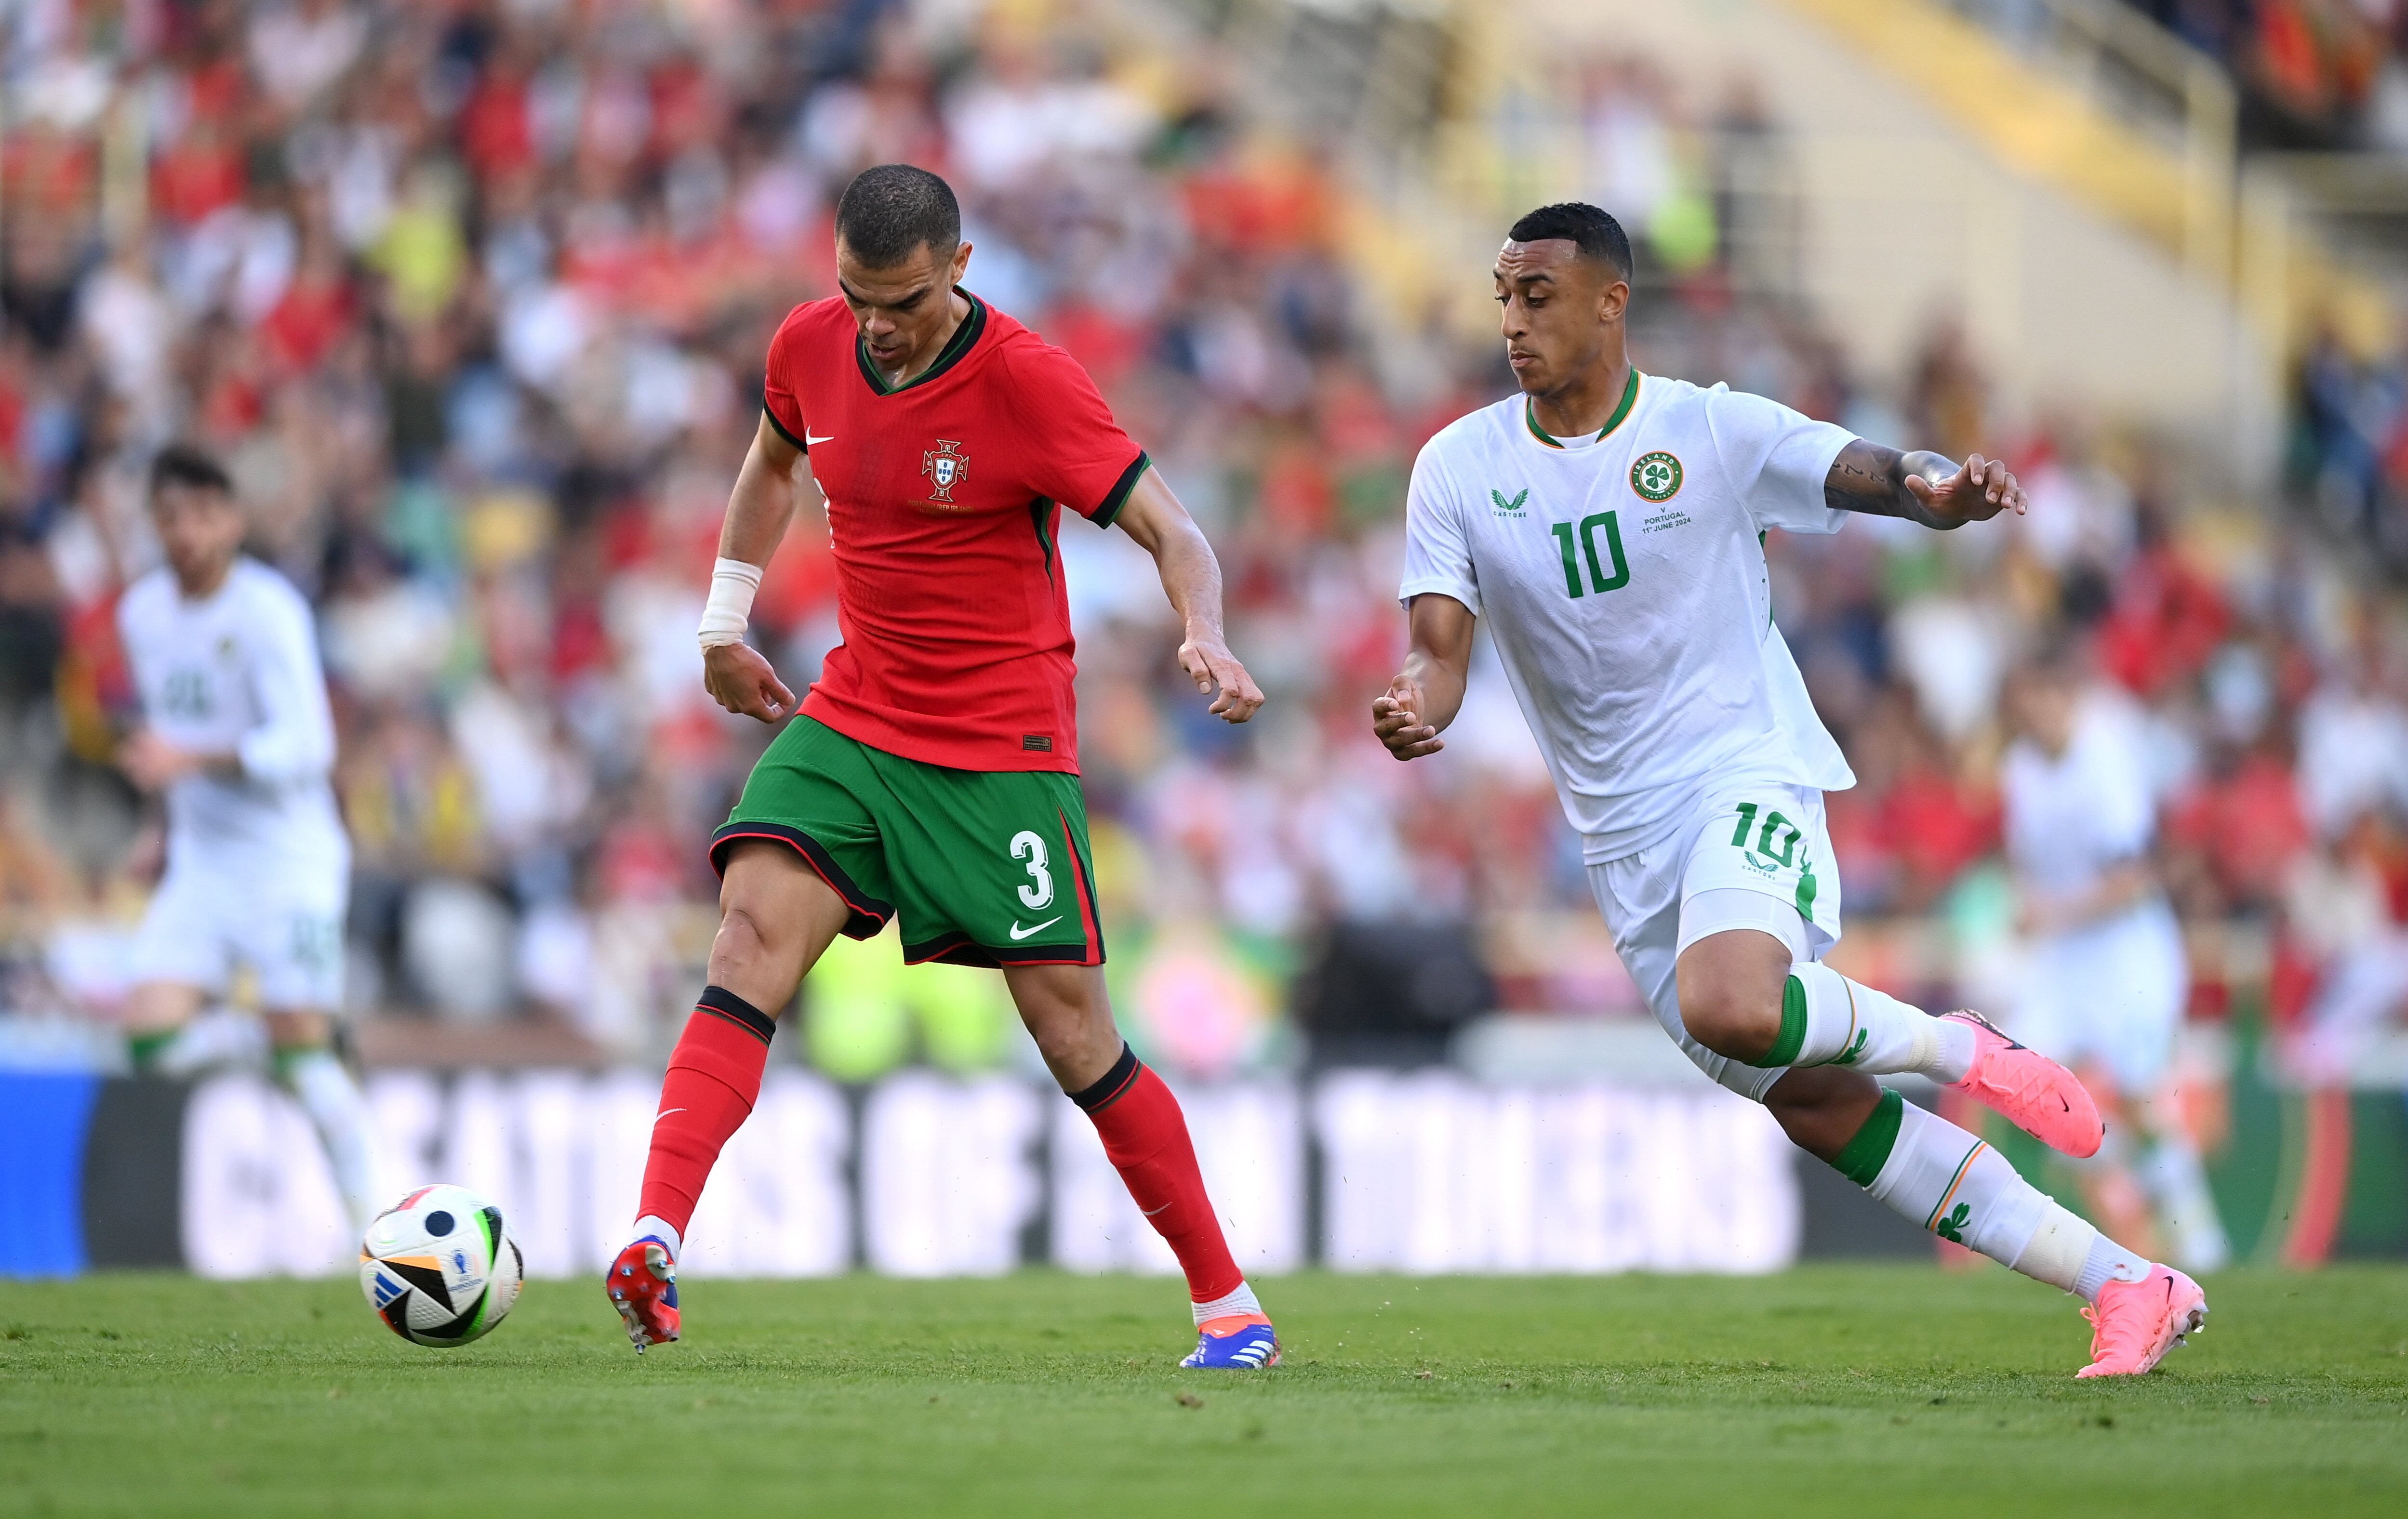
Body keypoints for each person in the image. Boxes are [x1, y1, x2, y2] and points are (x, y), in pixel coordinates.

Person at [1372, 202, 2207, 1378]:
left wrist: (1941, 490)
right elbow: (1440, 653)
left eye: (1538, 295)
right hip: (1622, 845)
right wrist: (1418, 703)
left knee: (1734, 999)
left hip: (1742, 770)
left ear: (1612, 302)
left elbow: (1865, 469)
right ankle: (2130, 1281)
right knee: (1815, 1104)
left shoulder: (1708, 430)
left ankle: (1957, 1046)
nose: (1511, 321)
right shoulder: (1458, 467)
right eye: (1503, 295)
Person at [605, 165, 1277, 1370]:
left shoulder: (1026, 380)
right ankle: (655, 1234)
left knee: (1074, 1037)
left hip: (998, 748)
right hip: (858, 712)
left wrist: (1205, 631)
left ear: (961, 268)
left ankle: (1230, 1308)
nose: (876, 325)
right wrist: (723, 621)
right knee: (747, 933)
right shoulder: (810, 346)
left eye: (903, 301)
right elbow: (772, 465)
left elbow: (1175, 530)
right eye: (858, 296)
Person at [116, 443, 381, 1233]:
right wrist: (158, 828)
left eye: (202, 514)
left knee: (301, 1041)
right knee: (148, 1037)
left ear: (231, 519)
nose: (187, 532)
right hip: (201, 861)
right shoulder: (143, 615)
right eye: (171, 517)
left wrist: (188, 759)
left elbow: (308, 748)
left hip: (287, 859)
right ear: (155, 525)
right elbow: (169, 735)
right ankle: (268, 1037)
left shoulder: (269, 612)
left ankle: (374, 1231)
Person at [2001, 642, 2230, 1272]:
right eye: (2024, 699)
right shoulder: (2018, 766)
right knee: (2020, 1079)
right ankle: (2123, 1181)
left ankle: (2198, 1238)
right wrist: (2027, 905)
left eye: (2045, 697)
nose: (2034, 712)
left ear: (2067, 697)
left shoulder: (2105, 760)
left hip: (2126, 951)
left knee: (2141, 1094)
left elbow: (2134, 877)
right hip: (2063, 959)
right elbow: (2025, 859)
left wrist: (2051, 911)